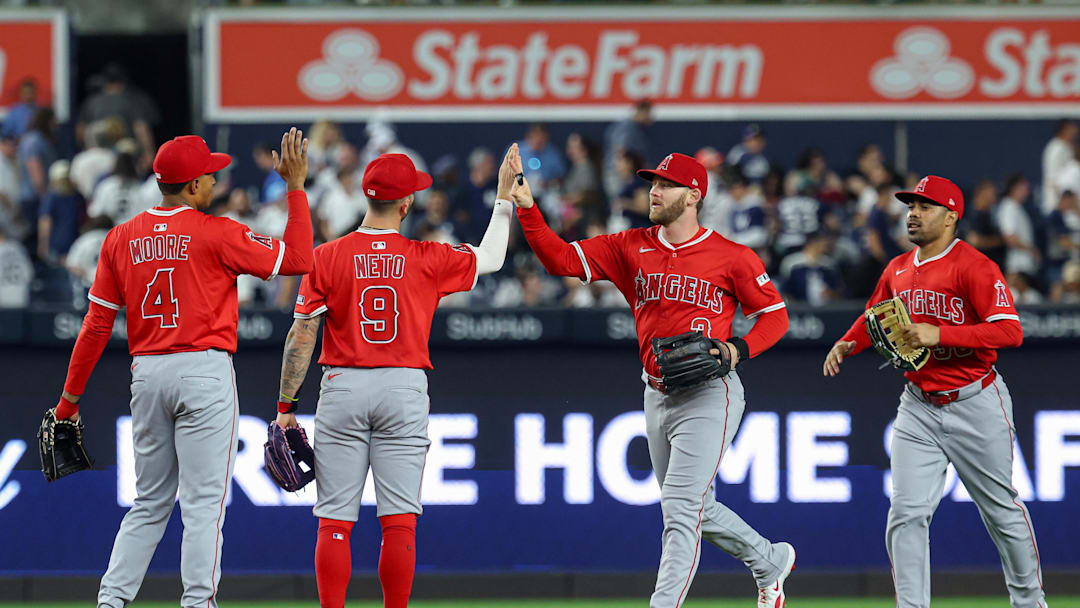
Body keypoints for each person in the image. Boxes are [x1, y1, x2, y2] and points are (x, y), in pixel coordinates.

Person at [510, 152, 795, 608]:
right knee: (694, 509)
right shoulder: (630, 245)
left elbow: (775, 317)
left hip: (709, 392)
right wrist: (527, 207)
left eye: (666, 184)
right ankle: (770, 560)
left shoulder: (731, 256)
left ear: (694, 195)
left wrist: (737, 349)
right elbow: (560, 259)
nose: (654, 191)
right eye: (653, 183)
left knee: (680, 509)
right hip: (657, 392)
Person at [50, 128, 314, 608]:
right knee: (202, 504)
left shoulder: (120, 239)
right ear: (192, 186)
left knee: (149, 502)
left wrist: (69, 400)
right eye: (209, 175)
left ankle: (110, 601)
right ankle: (197, 602)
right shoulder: (218, 232)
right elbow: (298, 259)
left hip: (147, 374)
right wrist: (296, 188)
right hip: (202, 370)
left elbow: (95, 327)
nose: (215, 181)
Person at [274, 147, 517, 608]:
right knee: (399, 522)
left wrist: (286, 408)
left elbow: (302, 334)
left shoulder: (326, 256)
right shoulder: (427, 255)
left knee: (334, 522)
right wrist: (503, 196)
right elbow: (492, 258)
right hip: (403, 385)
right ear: (406, 205)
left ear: (368, 198)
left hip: (342, 383)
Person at [823, 175, 1046, 608]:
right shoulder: (898, 268)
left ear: (950, 216)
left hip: (975, 399)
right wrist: (849, 342)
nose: (913, 213)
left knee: (1001, 512)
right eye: (911, 206)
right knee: (905, 514)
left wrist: (939, 332)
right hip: (918, 406)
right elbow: (875, 315)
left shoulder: (975, 266)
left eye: (924, 207)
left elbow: (1010, 331)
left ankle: (1030, 603)